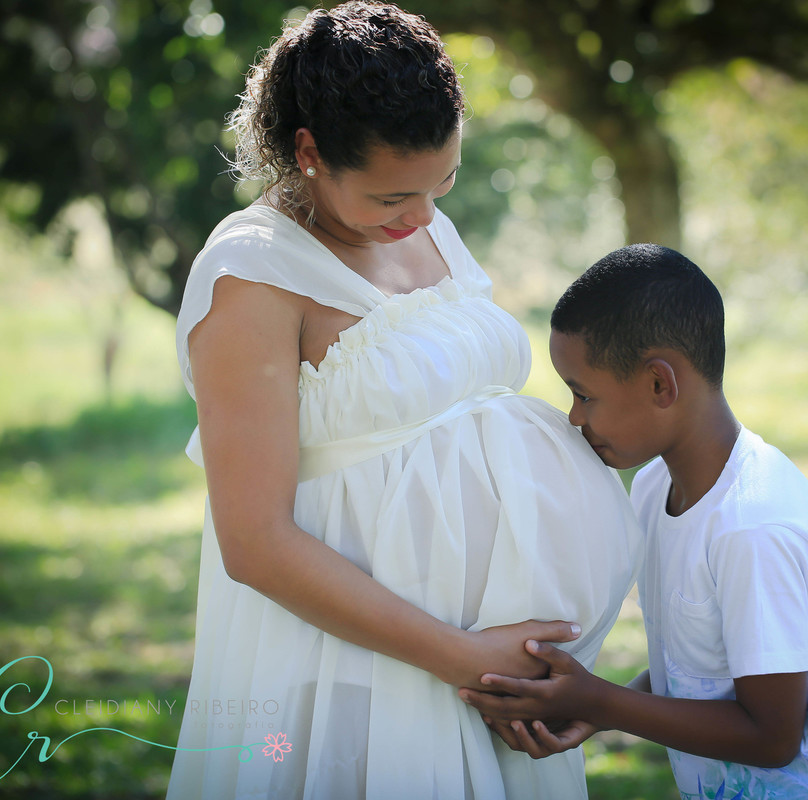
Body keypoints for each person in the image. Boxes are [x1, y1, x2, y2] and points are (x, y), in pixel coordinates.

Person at [165, 3, 641, 799]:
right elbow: (254, 542)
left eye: (442, 182)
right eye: (392, 198)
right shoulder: (251, 278)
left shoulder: (420, 222)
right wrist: (466, 658)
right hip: (362, 664)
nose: (421, 216)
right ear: (309, 152)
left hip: (482, 665)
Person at [460, 244, 808, 799]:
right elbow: (697, 669)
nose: (574, 418)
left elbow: (772, 737)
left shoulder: (751, 529)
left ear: (659, 384)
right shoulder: (652, 488)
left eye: (583, 395)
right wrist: (594, 709)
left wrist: (601, 700)